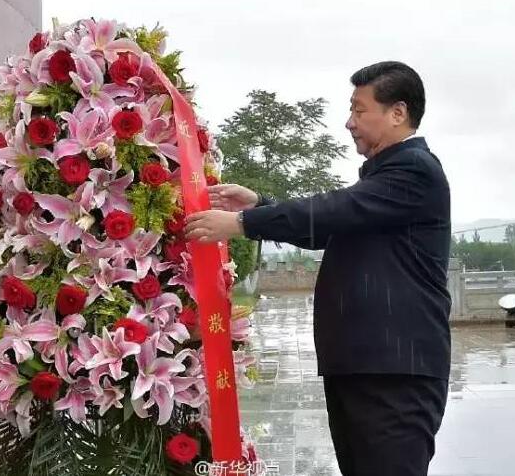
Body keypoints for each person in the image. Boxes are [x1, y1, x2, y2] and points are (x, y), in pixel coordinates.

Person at [185, 61, 451, 476]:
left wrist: (242, 223)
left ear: (398, 113)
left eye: (359, 110)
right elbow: (331, 225)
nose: (349, 122)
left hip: (395, 372)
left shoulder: (415, 170)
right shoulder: (383, 181)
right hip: (364, 367)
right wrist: (260, 206)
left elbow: (335, 209)